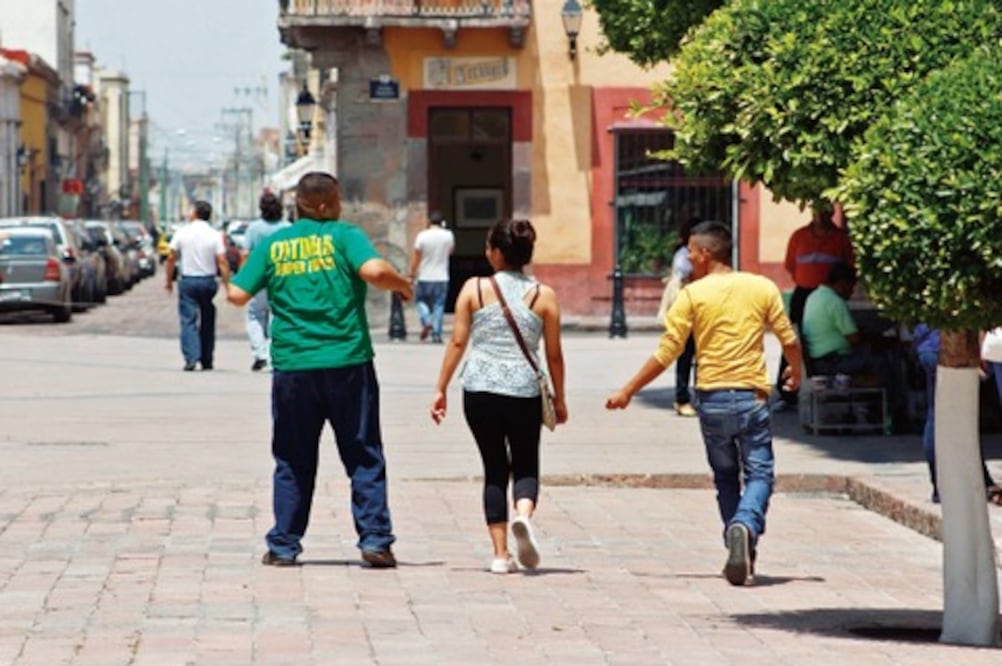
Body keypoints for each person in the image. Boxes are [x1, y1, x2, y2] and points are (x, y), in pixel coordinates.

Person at [226, 172, 414, 568]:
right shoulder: (345, 236)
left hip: (294, 365)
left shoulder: (275, 245)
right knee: (363, 453)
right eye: (339, 199)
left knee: (292, 457)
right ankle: (375, 540)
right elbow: (374, 272)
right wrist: (402, 283)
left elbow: (237, 294)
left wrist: (237, 272)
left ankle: (284, 545)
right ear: (327, 205)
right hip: (347, 360)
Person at [606, 221, 802, 587]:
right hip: (751, 398)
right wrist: (796, 370)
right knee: (760, 474)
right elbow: (788, 338)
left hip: (711, 399)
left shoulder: (692, 295)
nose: (688, 257)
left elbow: (668, 352)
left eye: (691, 251)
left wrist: (629, 390)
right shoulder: (762, 287)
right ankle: (745, 526)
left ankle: (738, 538)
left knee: (725, 477)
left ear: (707, 253)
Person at [430, 218, 567, 574]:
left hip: (479, 389)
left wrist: (441, 388)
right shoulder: (544, 295)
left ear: (495, 253)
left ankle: (500, 555)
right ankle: (523, 515)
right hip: (523, 390)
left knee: (494, 468)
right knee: (525, 462)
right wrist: (560, 398)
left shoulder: (473, 288)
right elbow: (554, 355)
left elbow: (457, 341)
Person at [777, 203, 854, 406]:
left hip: (829, 294)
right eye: (818, 212)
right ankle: (787, 392)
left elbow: (849, 266)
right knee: (793, 339)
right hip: (803, 293)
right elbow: (790, 265)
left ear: (831, 214)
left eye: (825, 212)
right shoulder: (799, 236)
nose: (821, 216)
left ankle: (823, 383)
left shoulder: (840, 238)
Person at [914, 325, 1000, 504]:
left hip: (929, 346)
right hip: (954, 351)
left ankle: (941, 487)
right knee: (963, 418)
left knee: (936, 415)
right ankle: (973, 483)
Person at [165, 200, 229, 371]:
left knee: (188, 320)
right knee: (208, 319)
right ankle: (207, 359)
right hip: (208, 281)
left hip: (188, 280)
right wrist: (227, 284)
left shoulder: (182, 232)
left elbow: (171, 257)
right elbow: (222, 261)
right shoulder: (215, 234)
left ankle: (191, 357)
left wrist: (168, 279)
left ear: (194, 213)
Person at [241, 191, 292, 371]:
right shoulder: (288, 228)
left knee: (255, 315)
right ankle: (272, 354)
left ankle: (260, 353)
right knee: (277, 315)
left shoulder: (254, 228)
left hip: (259, 277)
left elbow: (245, 254)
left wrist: (243, 278)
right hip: (282, 277)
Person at [408, 210, 454, 343]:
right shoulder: (448, 235)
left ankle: (427, 319)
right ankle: (436, 333)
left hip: (425, 275)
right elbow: (450, 251)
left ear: (429, 222)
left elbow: (417, 256)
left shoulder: (422, 236)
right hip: (442, 275)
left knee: (420, 301)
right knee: (439, 305)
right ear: (442, 223)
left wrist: (412, 273)